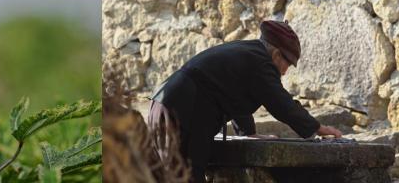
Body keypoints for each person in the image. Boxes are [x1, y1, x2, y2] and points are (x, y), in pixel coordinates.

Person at [147, 20, 343, 183]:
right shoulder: (260, 63)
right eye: (287, 64)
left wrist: (248, 133)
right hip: (183, 110)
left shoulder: (250, 55)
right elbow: (281, 103)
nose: (285, 72)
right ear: (276, 54)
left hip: (166, 105)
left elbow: (234, 96)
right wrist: (317, 128)